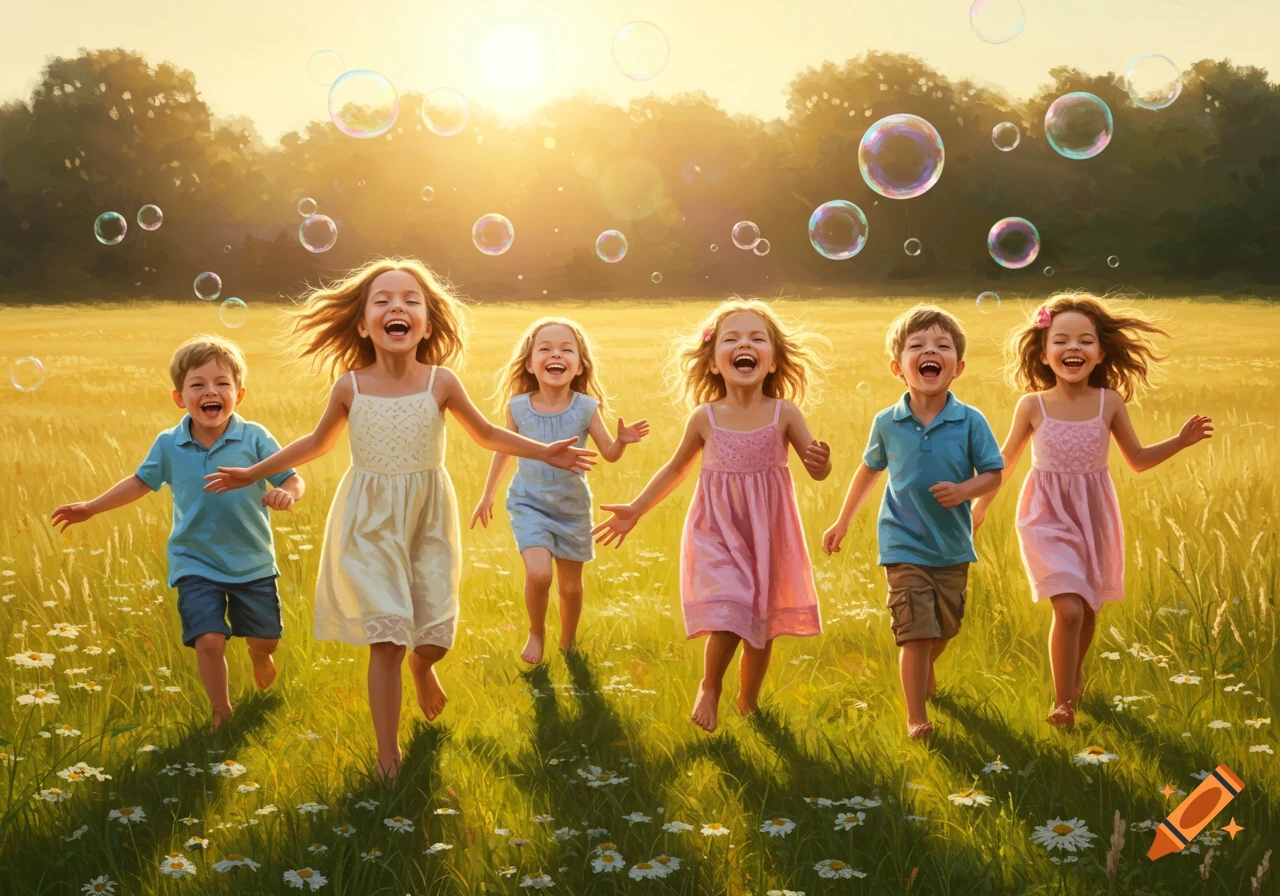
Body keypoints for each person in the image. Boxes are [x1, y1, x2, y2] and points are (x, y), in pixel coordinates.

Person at [202, 258, 594, 781]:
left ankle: (424, 666)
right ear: (363, 324)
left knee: (430, 634)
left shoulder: (441, 382)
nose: (397, 307)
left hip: (427, 515)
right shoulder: (351, 386)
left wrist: (546, 451)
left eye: (411, 300)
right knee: (386, 635)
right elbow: (316, 443)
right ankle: (389, 757)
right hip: (368, 518)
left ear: (426, 325)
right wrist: (254, 471)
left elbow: (487, 435)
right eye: (382, 300)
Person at [971, 293, 1212, 728]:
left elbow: (1136, 459)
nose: (1073, 349)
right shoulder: (1033, 405)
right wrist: (979, 507)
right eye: (1061, 340)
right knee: (1068, 610)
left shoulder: (1109, 402)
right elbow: (1004, 463)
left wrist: (1180, 441)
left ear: (1101, 353)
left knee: (1089, 610)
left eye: (1085, 341)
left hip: (1094, 514)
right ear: (1044, 354)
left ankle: (1074, 676)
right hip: (1044, 515)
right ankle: (1063, 702)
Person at [593, 300, 829, 732]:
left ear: (773, 360)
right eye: (733, 338)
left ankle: (749, 700)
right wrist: (636, 508)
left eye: (757, 338)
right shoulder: (705, 418)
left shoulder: (784, 414)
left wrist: (820, 462)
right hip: (717, 529)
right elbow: (675, 469)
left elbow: (816, 469)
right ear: (715, 361)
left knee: (763, 622)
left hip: (768, 533)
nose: (746, 344)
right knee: (732, 608)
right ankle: (711, 685)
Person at [51, 335, 304, 732]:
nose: (210, 391)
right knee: (208, 639)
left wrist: (285, 493)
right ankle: (221, 712)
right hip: (194, 560)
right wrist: (91, 507)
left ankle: (259, 654)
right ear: (179, 397)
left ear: (239, 393)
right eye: (198, 384)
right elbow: (140, 481)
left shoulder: (254, 437)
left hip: (252, 560)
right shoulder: (169, 444)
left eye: (221, 383)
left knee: (265, 639)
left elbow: (291, 477)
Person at [822, 305, 1003, 740]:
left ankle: (925, 668)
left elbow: (993, 473)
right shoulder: (888, 422)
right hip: (903, 543)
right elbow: (869, 471)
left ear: (957, 367)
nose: (930, 352)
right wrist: (842, 521)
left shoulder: (970, 420)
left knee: (946, 627)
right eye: (917, 346)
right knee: (916, 634)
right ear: (898, 367)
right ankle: (916, 718)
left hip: (952, 545)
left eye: (942, 346)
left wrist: (964, 492)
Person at [470, 317, 649, 664]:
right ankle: (537, 633)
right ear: (530, 363)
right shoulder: (518, 406)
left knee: (570, 587)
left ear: (579, 365)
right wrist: (488, 493)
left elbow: (608, 454)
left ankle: (568, 644)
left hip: (571, 508)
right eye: (546, 349)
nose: (557, 355)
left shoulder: (586, 407)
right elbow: (504, 449)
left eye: (567, 349)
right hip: (529, 502)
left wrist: (622, 442)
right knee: (538, 574)